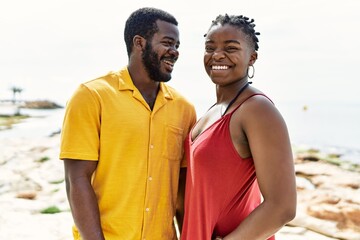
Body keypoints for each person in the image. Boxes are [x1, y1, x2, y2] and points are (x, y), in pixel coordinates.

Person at [59, 7, 196, 240]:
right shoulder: (92, 96)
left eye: (177, 46)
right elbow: (77, 179)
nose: (174, 52)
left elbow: (182, 189)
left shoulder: (185, 109)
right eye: (168, 43)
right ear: (139, 42)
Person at [181, 14, 296, 240]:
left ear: (252, 57)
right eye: (210, 47)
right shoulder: (213, 111)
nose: (217, 55)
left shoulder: (257, 110)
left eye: (231, 48)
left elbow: (282, 207)